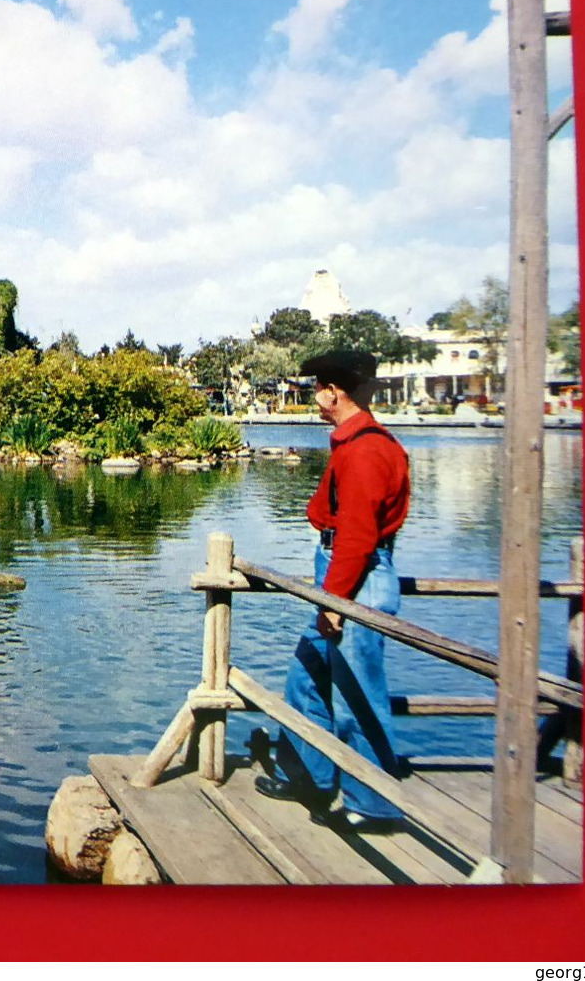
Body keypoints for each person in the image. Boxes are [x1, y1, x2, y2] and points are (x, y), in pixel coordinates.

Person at [254, 350, 411, 833]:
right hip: (342, 571)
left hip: (354, 579)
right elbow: (326, 512)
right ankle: (310, 775)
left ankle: (374, 804)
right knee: (306, 676)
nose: (313, 397)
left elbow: (359, 537)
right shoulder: (353, 443)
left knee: (358, 697)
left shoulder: (366, 450)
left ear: (334, 391)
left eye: (317, 388)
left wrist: (334, 603)